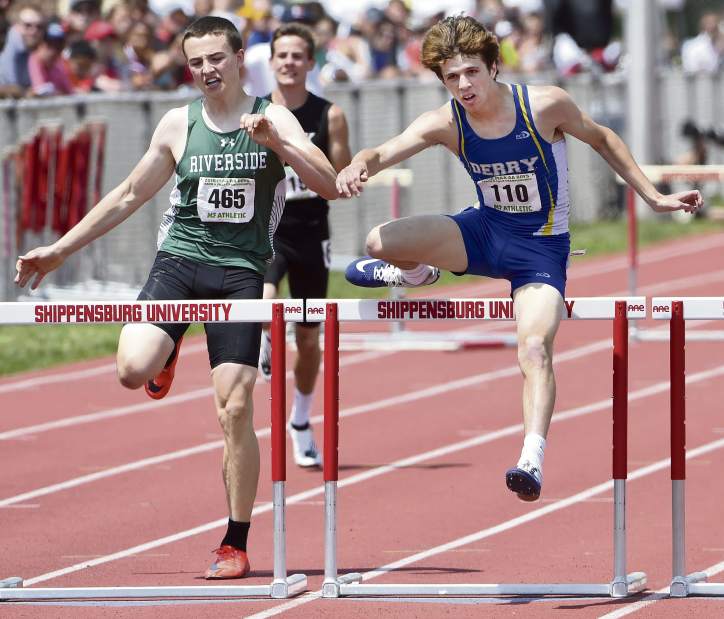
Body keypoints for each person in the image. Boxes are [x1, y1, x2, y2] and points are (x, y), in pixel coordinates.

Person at [15, 16, 338, 578]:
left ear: (240, 58)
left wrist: (279, 143)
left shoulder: (274, 114)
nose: (207, 70)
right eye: (196, 62)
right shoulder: (177, 122)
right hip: (180, 263)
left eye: (217, 58)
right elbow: (128, 195)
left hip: (241, 272)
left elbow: (329, 181)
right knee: (130, 370)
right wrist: (59, 251)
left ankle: (234, 541)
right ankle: (165, 353)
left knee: (235, 408)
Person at [337, 15, 703, 502]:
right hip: (483, 232)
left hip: (540, 250)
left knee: (533, 348)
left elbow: (602, 138)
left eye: (471, 72)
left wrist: (653, 197)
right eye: (451, 77)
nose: (463, 85)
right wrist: (359, 164)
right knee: (377, 242)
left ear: (493, 66)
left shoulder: (544, 104)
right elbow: (383, 151)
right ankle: (420, 272)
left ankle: (531, 456)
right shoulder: (447, 122)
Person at [257, 22, 351, 468]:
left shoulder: (329, 114)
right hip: (270, 229)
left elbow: (343, 176)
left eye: (297, 55)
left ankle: (299, 420)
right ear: (271, 62)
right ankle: (265, 339)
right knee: (264, 299)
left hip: (313, 232)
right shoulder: (256, 112)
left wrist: (306, 161)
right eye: (282, 55)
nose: (289, 62)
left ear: (310, 63)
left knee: (310, 342)